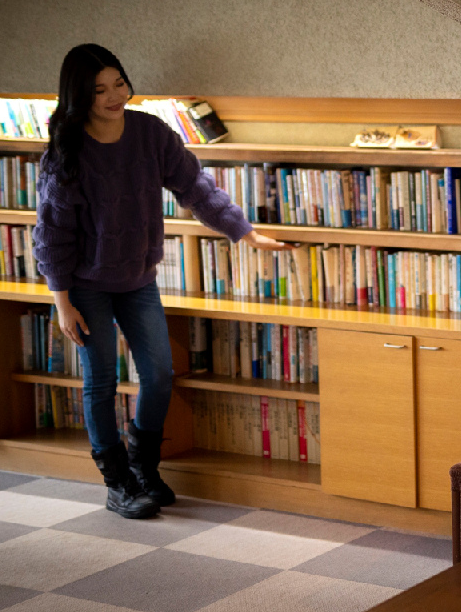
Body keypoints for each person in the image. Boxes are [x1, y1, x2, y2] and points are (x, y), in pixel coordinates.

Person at [33, 43, 291, 519]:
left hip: (138, 279)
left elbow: (195, 187)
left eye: (119, 83)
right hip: (86, 285)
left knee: (157, 375)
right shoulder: (67, 151)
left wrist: (245, 232)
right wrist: (62, 301)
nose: (115, 96)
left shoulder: (150, 132)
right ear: (79, 96)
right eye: (100, 90)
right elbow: (52, 234)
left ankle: (143, 468)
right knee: (101, 382)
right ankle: (117, 484)